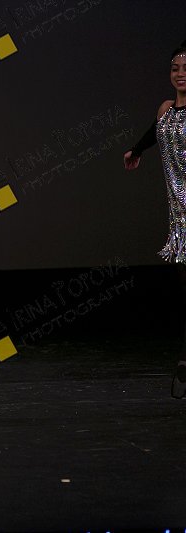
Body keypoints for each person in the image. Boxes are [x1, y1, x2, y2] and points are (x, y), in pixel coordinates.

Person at [124, 41, 186, 399]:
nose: (180, 74)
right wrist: (136, 150)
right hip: (180, 217)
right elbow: (153, 131)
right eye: (175, 69)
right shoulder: (165, 109)